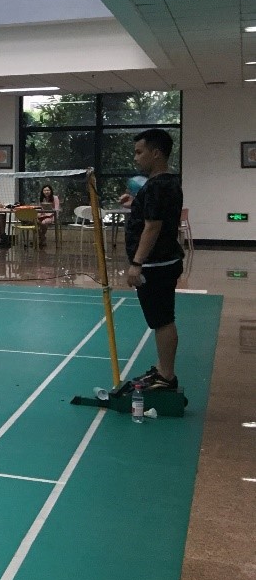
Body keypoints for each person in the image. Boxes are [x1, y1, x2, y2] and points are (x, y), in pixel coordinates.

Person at [120, 129, 184, 392]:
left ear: (156, 153)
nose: (136, 158)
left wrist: (137, 264)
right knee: (162, 319)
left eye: (139, 152)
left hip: (156, 264)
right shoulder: (167, 182)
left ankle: (166, 376)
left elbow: (153, 226)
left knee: (162, 320)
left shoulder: (157, 185)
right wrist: (136, 202)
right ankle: (162, 369)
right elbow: (158, 213)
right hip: (164, 260)